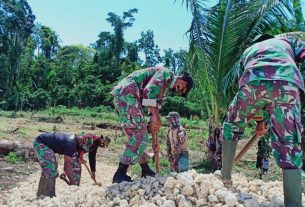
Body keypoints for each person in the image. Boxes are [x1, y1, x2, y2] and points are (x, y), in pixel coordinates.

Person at [222, 34, 304, 207]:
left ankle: (225, 179)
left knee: (232, 124)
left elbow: (249, 94)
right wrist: (261, 122)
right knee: (289, 143)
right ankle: (293, 204)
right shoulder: (288, 41)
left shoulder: (248, 51)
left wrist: (258, 119)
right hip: (287, 83)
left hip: (253, 82)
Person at [111, 66, 193, 183]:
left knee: (139, 133)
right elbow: (147, 92)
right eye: (182, 87)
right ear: (182, 80)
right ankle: (120, 174)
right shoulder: (166, 73)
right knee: (140, 135)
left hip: (128, 97)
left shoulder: (165, 88)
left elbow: (152, 104)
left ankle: (145, 170)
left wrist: (153, 121)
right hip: (128, 94)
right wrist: (156, 117)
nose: (178, 90)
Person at [33, 132, 110, 198]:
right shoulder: (71, 143)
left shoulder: (78, 143)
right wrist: (73, 184)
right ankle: (48, 195)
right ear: (81, 143)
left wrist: (65, 173)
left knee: (55, 166)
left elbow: (69, 162)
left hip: (48, 146)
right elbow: (67, 164)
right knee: (51, 168)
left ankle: (40, 193)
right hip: (41, 142)